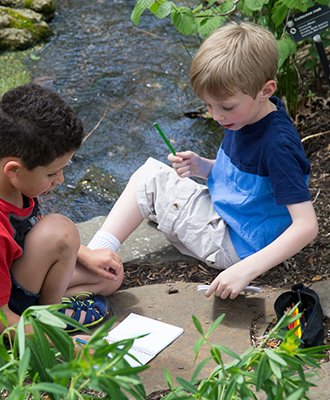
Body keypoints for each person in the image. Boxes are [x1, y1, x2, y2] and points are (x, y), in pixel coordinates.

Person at [87, 22, 318, 300]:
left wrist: (245, 270)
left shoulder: (277, 146)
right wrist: (202, 167)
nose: (216, 116)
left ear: (265, 90)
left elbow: (306, 226)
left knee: (148, 178)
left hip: (234, 244)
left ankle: (91, 259)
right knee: (155, 187)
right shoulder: (246, 115)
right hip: (237, 223)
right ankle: (97, 255)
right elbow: (248, 182)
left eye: (225, 106)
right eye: (208, 106)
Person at [0, 83, 123, 351]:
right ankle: (34, 328)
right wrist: (64, 345)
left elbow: (29, 225)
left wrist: (86, 255)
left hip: (6, 269)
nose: (60, 180)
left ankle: (43, 313)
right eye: (52, 173)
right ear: (14, 169)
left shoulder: (0, 173)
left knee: (109, 278)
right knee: (61, 231)